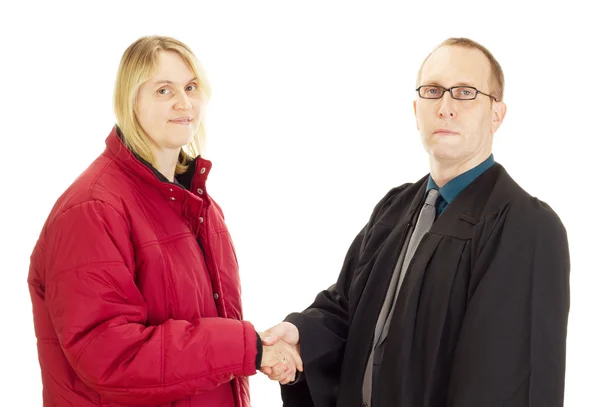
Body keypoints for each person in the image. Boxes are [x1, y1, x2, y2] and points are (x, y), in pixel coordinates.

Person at [261, 37, 571, 406]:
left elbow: (508, 379)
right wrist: (301, 334)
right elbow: (347, 307)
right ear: (415, 109)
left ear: (497, 115)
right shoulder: (394, 208)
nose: (445, 107)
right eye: (433, 91)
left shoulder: (524, 227)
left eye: (465, 92)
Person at [26, 35, 301, 407]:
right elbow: (108, 354)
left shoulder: (199, 206)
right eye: (163, 90)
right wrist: (246, 349)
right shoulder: (92, 209)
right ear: (130, 100)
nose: (184, 103)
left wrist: (258, 349)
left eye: (190, 87)